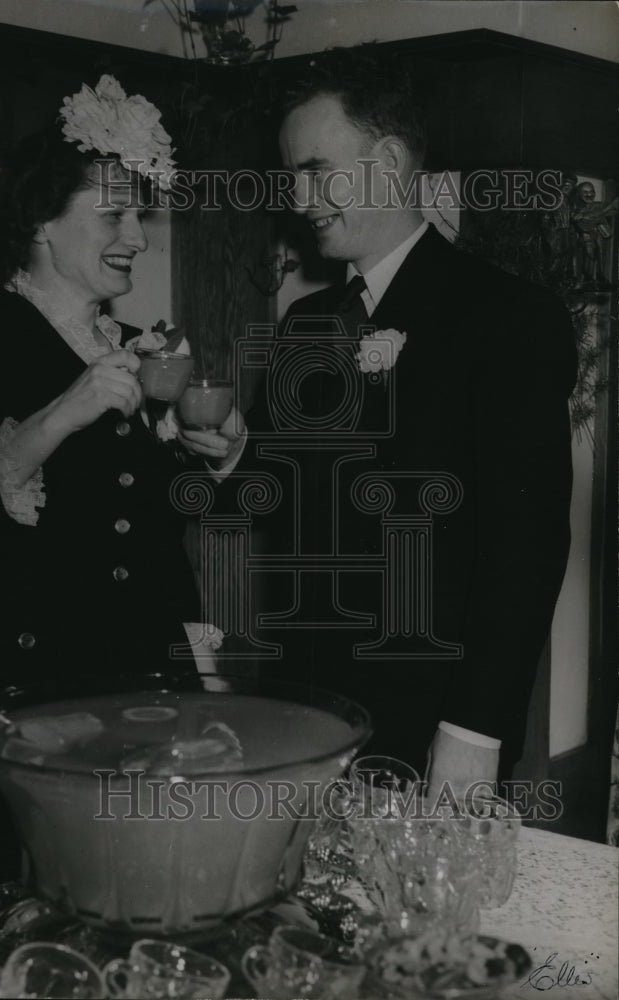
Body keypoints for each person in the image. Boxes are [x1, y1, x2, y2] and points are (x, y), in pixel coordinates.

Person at [183, 46, 577, 798]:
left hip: (431, 719)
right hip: (305, 705)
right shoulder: (307, 323)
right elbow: (282, 502)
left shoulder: (507, 316)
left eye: (313, 170)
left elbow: (522, 549)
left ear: (388, 161)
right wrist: (236, 457)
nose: (299, 199)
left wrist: (472, 730)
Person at [0, 76, 219, 918]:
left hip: (151, 683)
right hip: (25, 691)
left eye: (140, 217)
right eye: (114, 216)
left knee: (146, 921)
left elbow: (172, 519)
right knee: (13, 920)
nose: (137, 239)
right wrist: (54, 420)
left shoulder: (149, 351)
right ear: (41, 222)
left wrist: (219, 453)